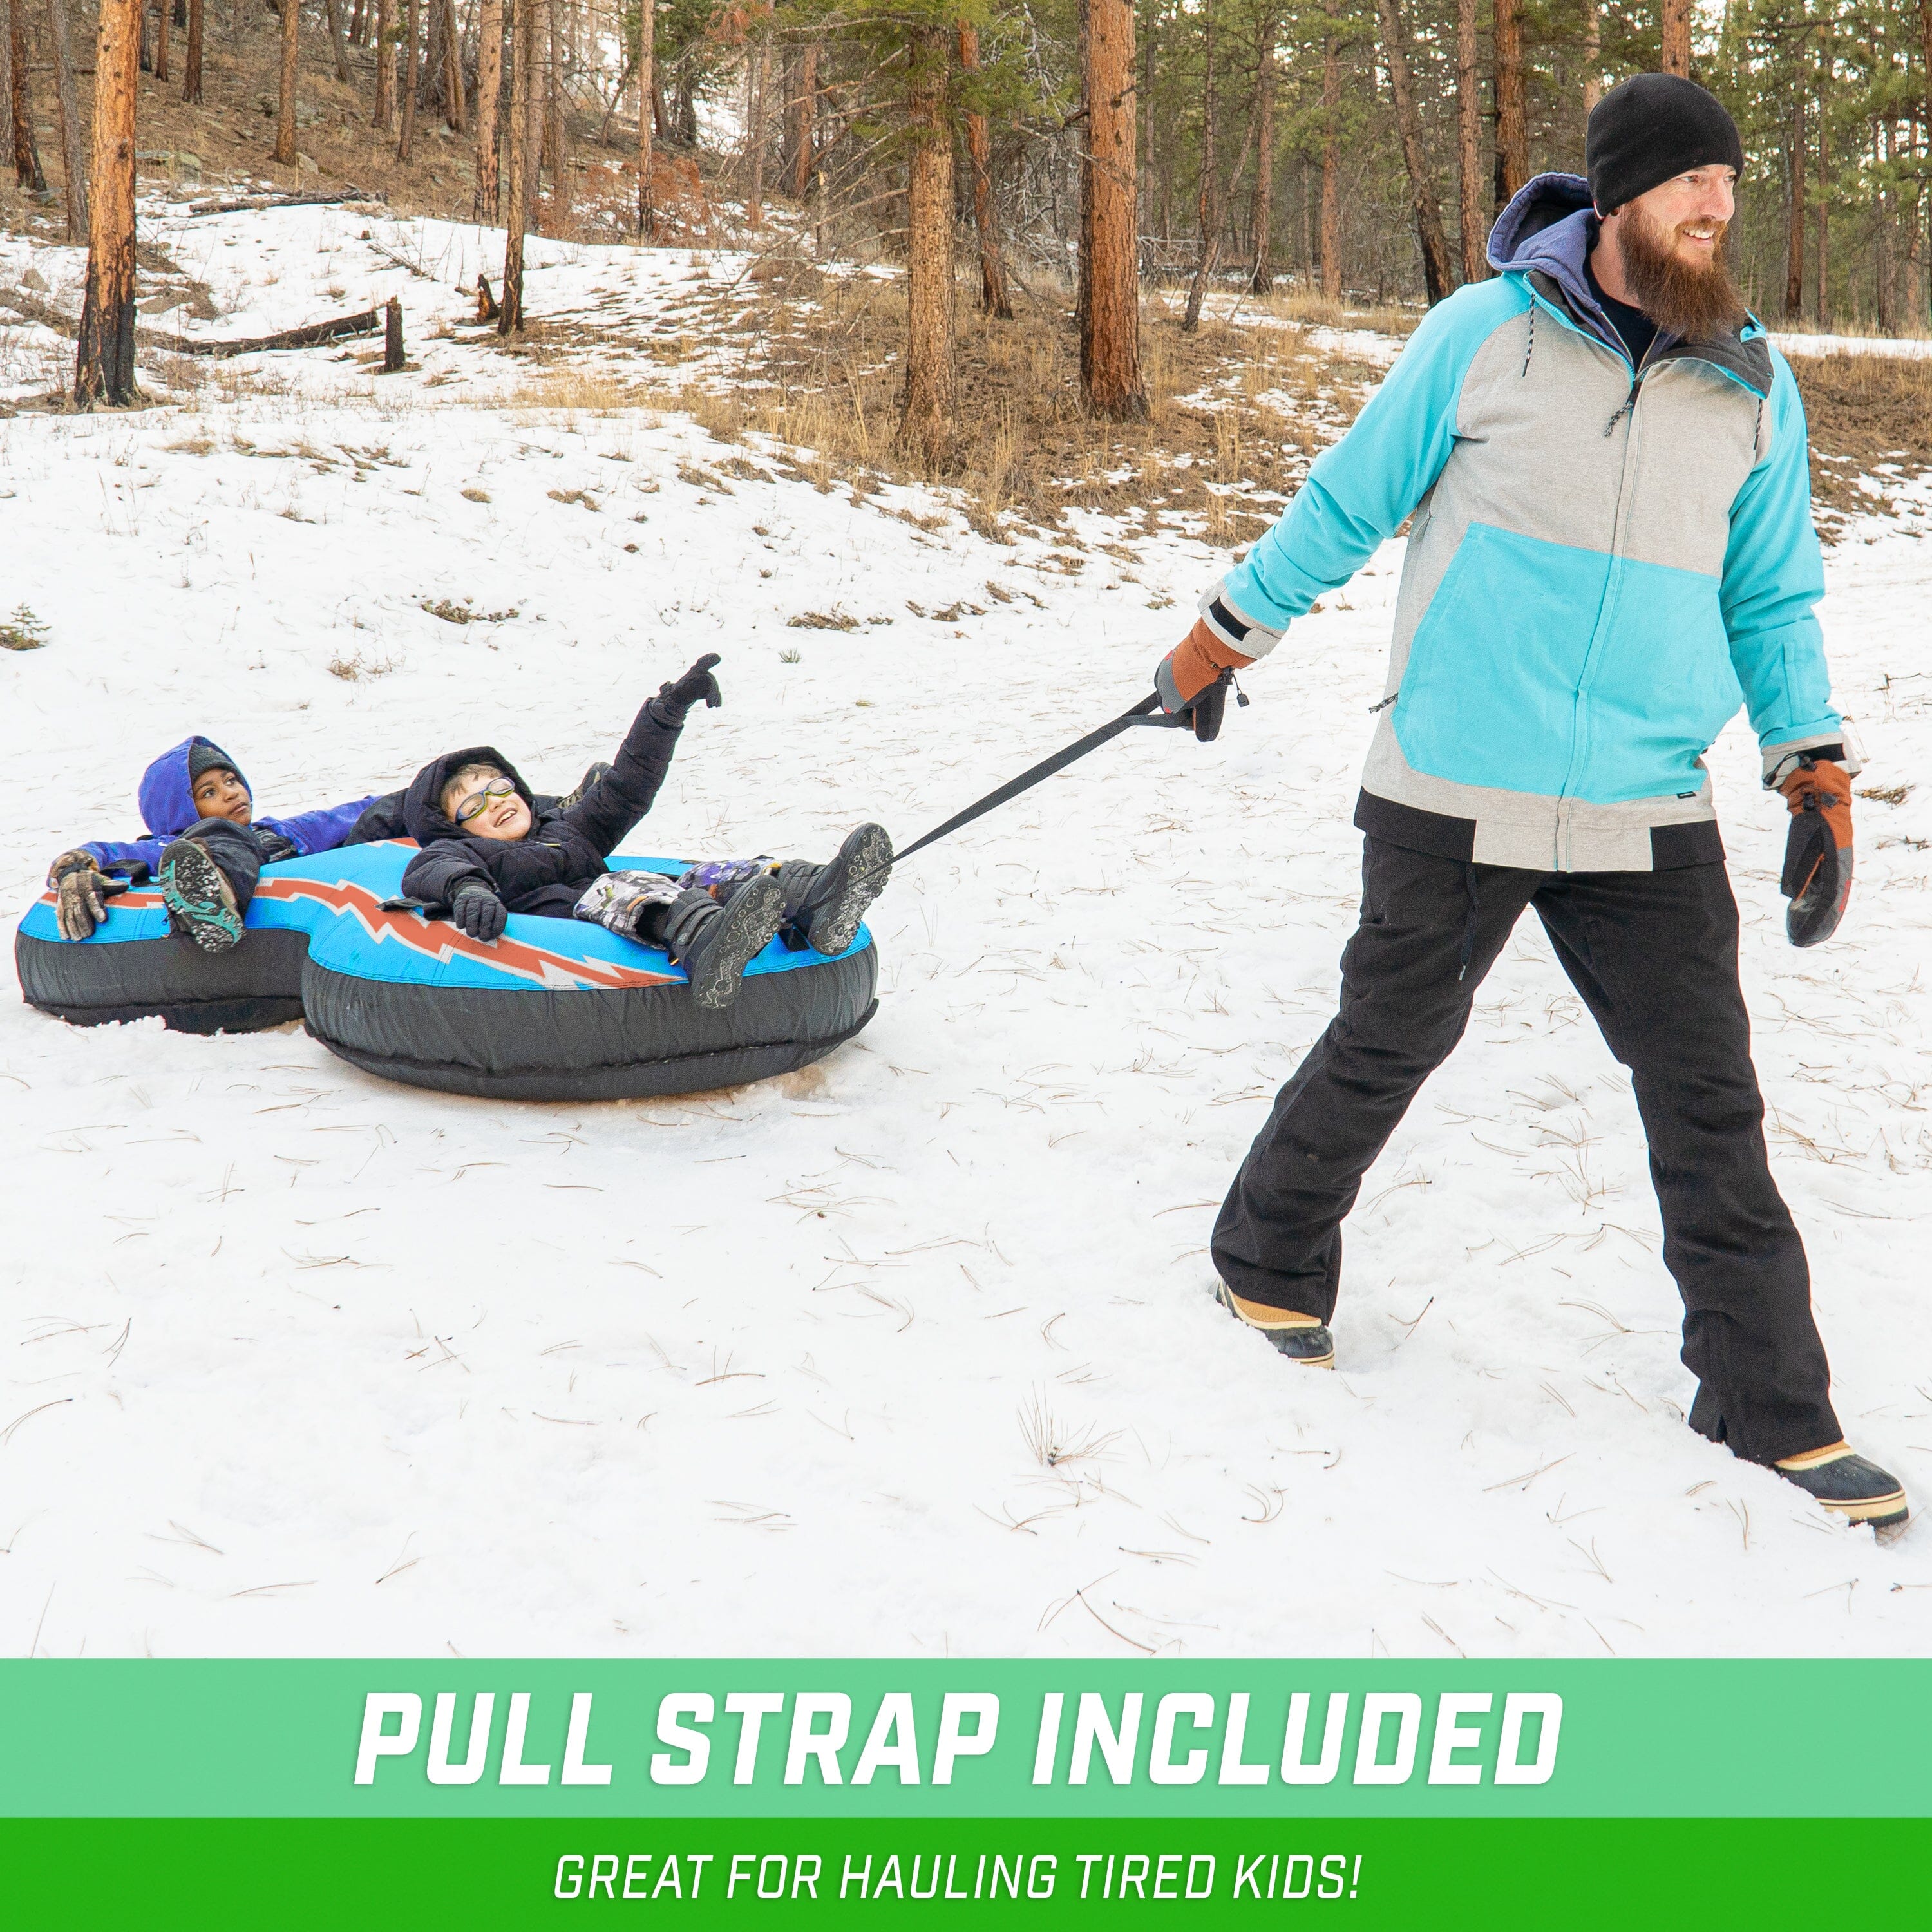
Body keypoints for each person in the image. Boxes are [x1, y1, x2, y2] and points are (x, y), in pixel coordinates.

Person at [1153, 75, 1905, 1530]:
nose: (1718, 206)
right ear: (1618, 196)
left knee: (1708, 1100)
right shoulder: (1482, 334)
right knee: (1390, 1037)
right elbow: (1349, 499)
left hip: (1643, 797)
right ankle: (1267, 1256)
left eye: (1729, 182)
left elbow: (1771, 592)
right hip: (1457, 773)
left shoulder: (1751, 380)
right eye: (1691, 182)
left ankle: (1769, 1404)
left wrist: (1809, 765)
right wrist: (1224, 636)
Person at [400, 653, 893, 1010]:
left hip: (634, 900)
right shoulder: (462, 852)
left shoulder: (567, 828)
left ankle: (816, 896)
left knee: (707, 874)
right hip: (581, 917)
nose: (497, 802)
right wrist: (469, 891)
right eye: (474, 803)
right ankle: (706, 943)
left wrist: (666, 713)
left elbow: (627, 786)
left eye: (500, 786)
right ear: (452, 826)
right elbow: (432, 869)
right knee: (617, 886)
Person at [45, 739, 384, 953]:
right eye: (209, 792)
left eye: (232, 781)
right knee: (221, 833)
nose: (231, 793)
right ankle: (209, 897)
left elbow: (347, 815)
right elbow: (106, 852)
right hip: (215, 869)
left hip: (303, 894)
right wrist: (76, 869)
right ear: (179, 810)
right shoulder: (172, 847)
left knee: (382, 814)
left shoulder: (279, 831)